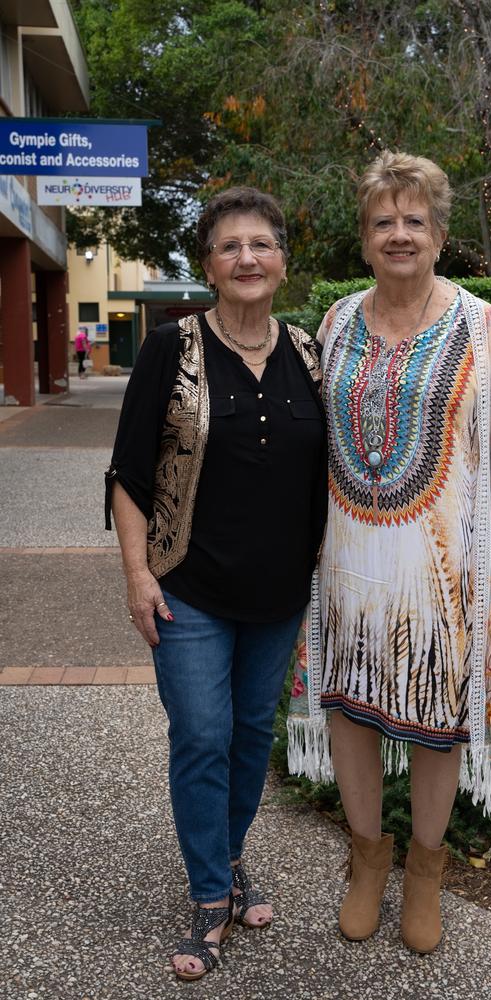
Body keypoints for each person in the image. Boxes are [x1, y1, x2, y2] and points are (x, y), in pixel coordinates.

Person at [288, 151, 491, 953]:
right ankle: (367, 863)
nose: (399, 234)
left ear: (439, 234)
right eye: (382, 222)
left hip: (443, 572)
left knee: (439, 718)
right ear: (363, 240)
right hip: (347, 560)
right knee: (348, 709)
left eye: (414, 220)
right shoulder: (333, 324)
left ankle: (425, 873)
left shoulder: (483, 326)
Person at [105, 186, 327, 981]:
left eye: (261, 244)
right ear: (208, 263)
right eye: (230, 246)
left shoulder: (308, 352)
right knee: (201, 736)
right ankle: (208, 898)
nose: (247, 259)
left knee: (247, 740)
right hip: (188, 588)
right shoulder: (173, 348)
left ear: (282, 261)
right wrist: (137, 575)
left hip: (277, 595)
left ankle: (227, 865)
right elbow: (129, 472)